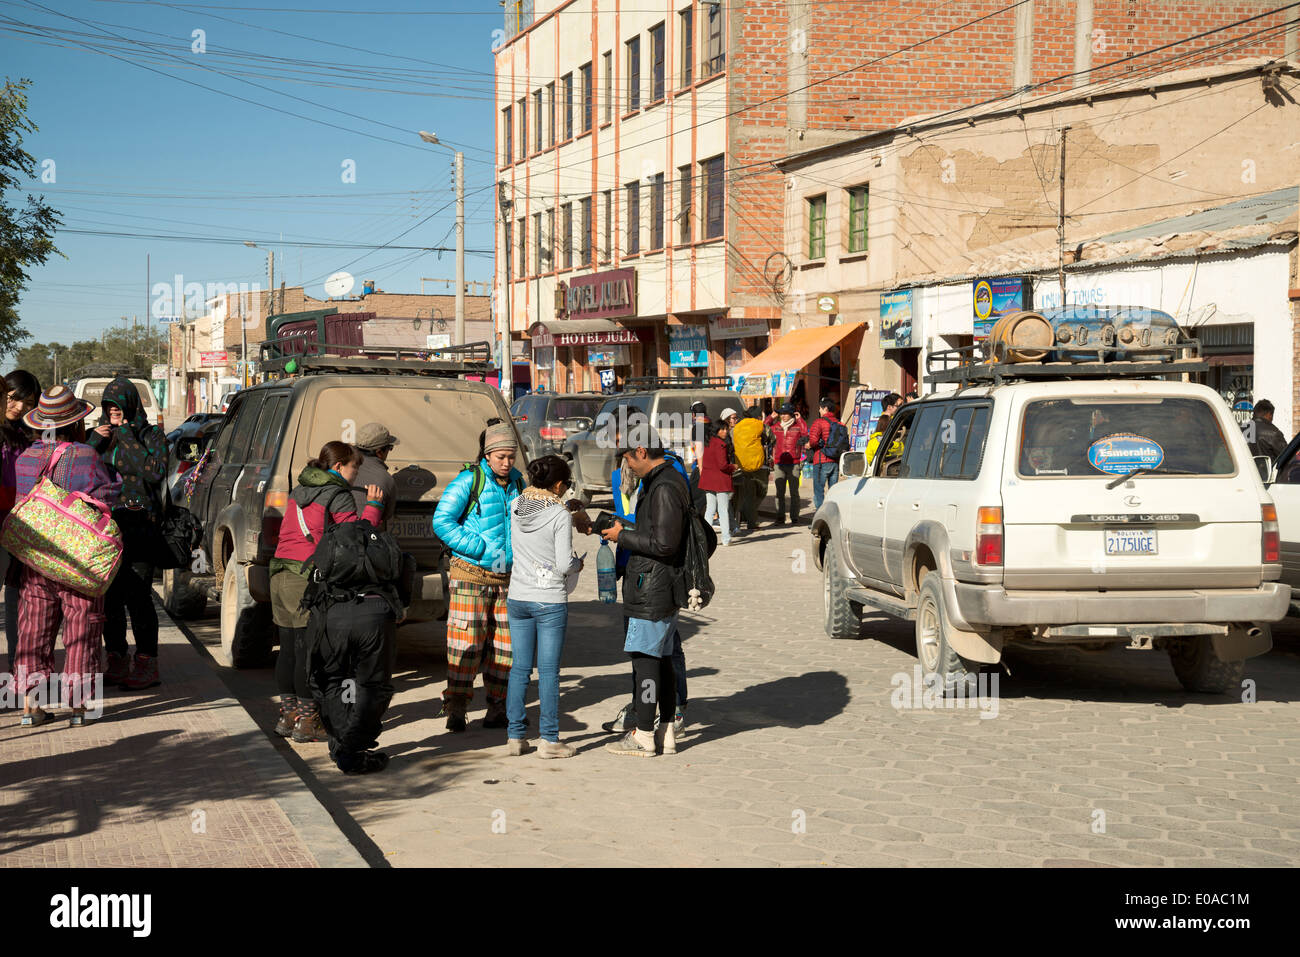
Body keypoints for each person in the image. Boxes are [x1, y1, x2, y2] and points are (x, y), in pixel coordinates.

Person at [12, 387, 121, 727]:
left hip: (34, 558)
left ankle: (32, 706)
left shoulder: (25, 457)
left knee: (33, 630)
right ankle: (80, 707)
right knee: (81, 628)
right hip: (78, 559)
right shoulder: (86, 456)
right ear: (75, 422)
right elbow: (105, 497)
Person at [269, 441, 384, 743]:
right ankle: (308, 723)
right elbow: (353, 540)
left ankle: (288, 716)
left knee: (288, 649)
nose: (356, 475)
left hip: (279, 572)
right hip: (304, 578)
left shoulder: (300, 489)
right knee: (308, 653)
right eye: (353, 468)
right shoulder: (338, 494)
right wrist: (373, 508)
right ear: (338, 467)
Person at [601, 415, 689, 757]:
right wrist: (624, 526)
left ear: (640, 451)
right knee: (661, 660)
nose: (625, 464)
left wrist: (623, 535)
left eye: (626, 457)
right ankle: (665, 731)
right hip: (658, 585)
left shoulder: (664, 485)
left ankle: (643, 734)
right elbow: (657, 533)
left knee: (646, 662)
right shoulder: (664, 481)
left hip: (652, 586)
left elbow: (664, 544)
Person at [431, 418, 523, 732]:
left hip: (507, 579)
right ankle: (456, 708)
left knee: (505, 648)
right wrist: (476, 546)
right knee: (466, 646)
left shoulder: (518, 483)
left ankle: (497, 708)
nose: (507, 463)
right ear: (487, 456)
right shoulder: (468, 481)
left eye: (511, 457)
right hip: (469, 574)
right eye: (501, 457)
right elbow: (442, 521)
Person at [301, 497, 404, 775]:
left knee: (334, 679)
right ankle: (351, 750)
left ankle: (341, 744)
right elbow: (404, 575)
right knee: (371, 686)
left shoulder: (330, 539)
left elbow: (313, 582)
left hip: (332, 617)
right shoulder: (379, 541)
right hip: (374, 616)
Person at [87, 376, 169, 691]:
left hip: (142, 527)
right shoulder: (100, 436)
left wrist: (125, 435)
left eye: (118, 406)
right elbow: (82, 465)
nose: (113, 411)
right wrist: (96, 439)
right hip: (108, 528)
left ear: (131, 405)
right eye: (108, 406)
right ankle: (117, 658)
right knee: (110, 597)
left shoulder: (151, 435)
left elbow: (154, 471)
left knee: (138, 598)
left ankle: (147, 662)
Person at [504, 455, 584, 759]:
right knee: (549, 671)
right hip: (548, 598)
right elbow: (564, 564)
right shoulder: (558, 515)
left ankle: (515, 736)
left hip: (518, 596)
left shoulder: (516, 505)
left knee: (520, 668)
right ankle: (549, 740)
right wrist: (579, 564)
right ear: (560, 484)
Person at [1, 369, 39, 675]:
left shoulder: (29, 436)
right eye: (14, 399)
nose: (18, 408)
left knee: (17, 596)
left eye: (27, 404)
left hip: (22, 525)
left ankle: (17, 665)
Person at [766, 403, 807, 525]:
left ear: (792, 414)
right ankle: (780, 517)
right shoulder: (776, 427)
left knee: (794, 492)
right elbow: (763, 428)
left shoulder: (797, 426)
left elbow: (805, 434)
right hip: (779, 462)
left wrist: (800, 420)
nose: (783, 416)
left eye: (785, 414)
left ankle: (794, 517)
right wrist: (770, 418)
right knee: (779, 492)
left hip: (794, 463)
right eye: (781, 414)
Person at [353, 422, 399, 530]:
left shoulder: (343, 468)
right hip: (367, 537)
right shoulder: (386, 479)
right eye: (390, 448)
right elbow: (387, 515)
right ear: (379, 452)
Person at [699, 418, 736, 545]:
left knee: (710, 510)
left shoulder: (708, 442)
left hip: (708, 480)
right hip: (720, 481)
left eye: (726, 429)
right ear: (716, 430)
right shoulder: (721, 444)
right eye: (723, 429)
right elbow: (723, 465)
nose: (725, 431)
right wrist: (734, 467)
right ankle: (726, 538)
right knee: (723, 510)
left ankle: (706, 538)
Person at [731, 406, 767, 533]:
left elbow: (733, 443)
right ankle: (750, 519)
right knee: (761, 491)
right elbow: (772, 438)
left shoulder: (737, 427)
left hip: (741, 465)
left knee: (748, 493)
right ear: (757, 416)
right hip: (758, 465)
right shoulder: (760, 425)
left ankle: (748, 519)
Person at [807, 396, 845, 510]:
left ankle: (820, 518)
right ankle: (832, 516)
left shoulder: (819, 422)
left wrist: (808, 445)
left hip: (821, 460)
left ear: (825, 409)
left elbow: (813, 441)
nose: (819, 410)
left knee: (819, 491)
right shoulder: (840, 423)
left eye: (820, 408)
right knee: (833, 492)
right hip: (835, 461)